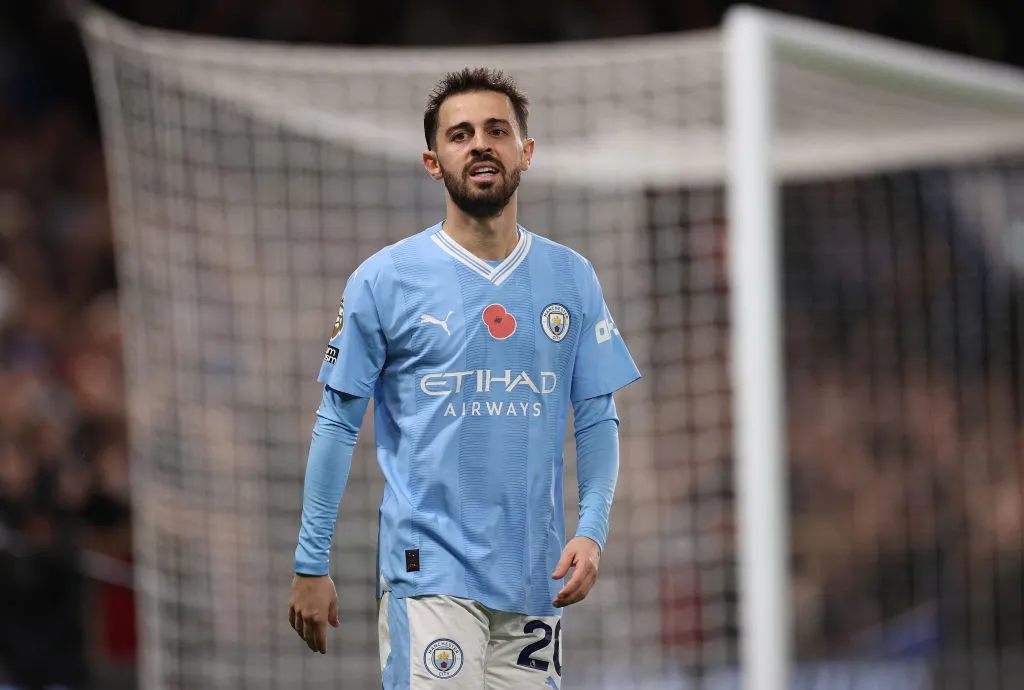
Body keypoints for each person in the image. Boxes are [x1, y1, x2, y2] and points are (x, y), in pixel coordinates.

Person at [287, 66, 640, 689]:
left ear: (525, 151)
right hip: (429, 572)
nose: (480, 143)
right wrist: (311, 562)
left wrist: (592, 531)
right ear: (433, 161)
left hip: (536, 577)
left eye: (496, 130)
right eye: (460, 134)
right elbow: (337, 422)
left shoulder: (571, 278)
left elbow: (596, 416)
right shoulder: (384, 279)